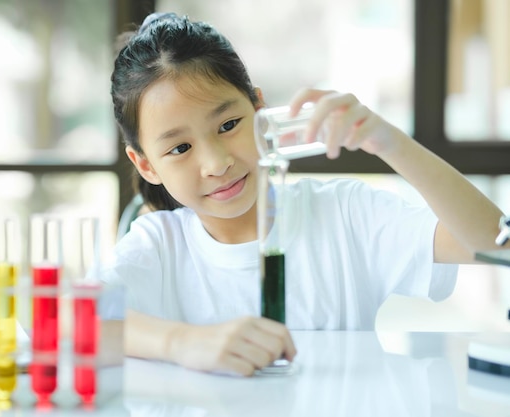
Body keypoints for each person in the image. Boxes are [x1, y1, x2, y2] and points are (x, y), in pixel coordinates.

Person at [103, 12, 508, 377]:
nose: (216, 163)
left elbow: (497, 242)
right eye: (180, 149)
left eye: (228, 125)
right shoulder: (159, 246)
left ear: (260, 108)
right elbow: (72, 319)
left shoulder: (346, 212)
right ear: (146, 165)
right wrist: (183, 342)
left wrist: (393, 144)